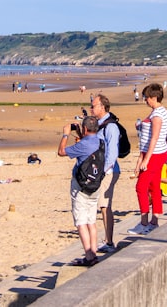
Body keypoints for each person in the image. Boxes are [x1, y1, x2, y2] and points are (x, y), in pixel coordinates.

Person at [58, 114, 103, 267]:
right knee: (91, 220)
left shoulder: (83, 145)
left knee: (81, 221)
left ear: (85, 128)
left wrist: (65, 134)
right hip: (95, 185)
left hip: (81, 187)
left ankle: (89, 255)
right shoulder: (101, 142)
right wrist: (81, 134)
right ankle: (94, 253)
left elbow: (62, 151)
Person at [129, 83, 167, 236]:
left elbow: (154, 139)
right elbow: (148, 138)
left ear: (154, 98)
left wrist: (145, 160)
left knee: (141, 187)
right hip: (155, 153)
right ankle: (154, 220)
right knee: (153, 186)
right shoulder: (158, 112)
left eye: (146, 98)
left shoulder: (158, 115)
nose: (145, 100)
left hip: (155, 155)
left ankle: (145, 222)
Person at [92, 93, 121, 253]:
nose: (91, 108)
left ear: (102, 107)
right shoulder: (100, 124)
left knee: (104, 205)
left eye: (93, 105)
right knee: (103, 205)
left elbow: (112, 152)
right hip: (103, 170)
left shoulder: (110, 126)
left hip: (109, 171)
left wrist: (104, 171)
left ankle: (109, 242)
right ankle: (107, 240)